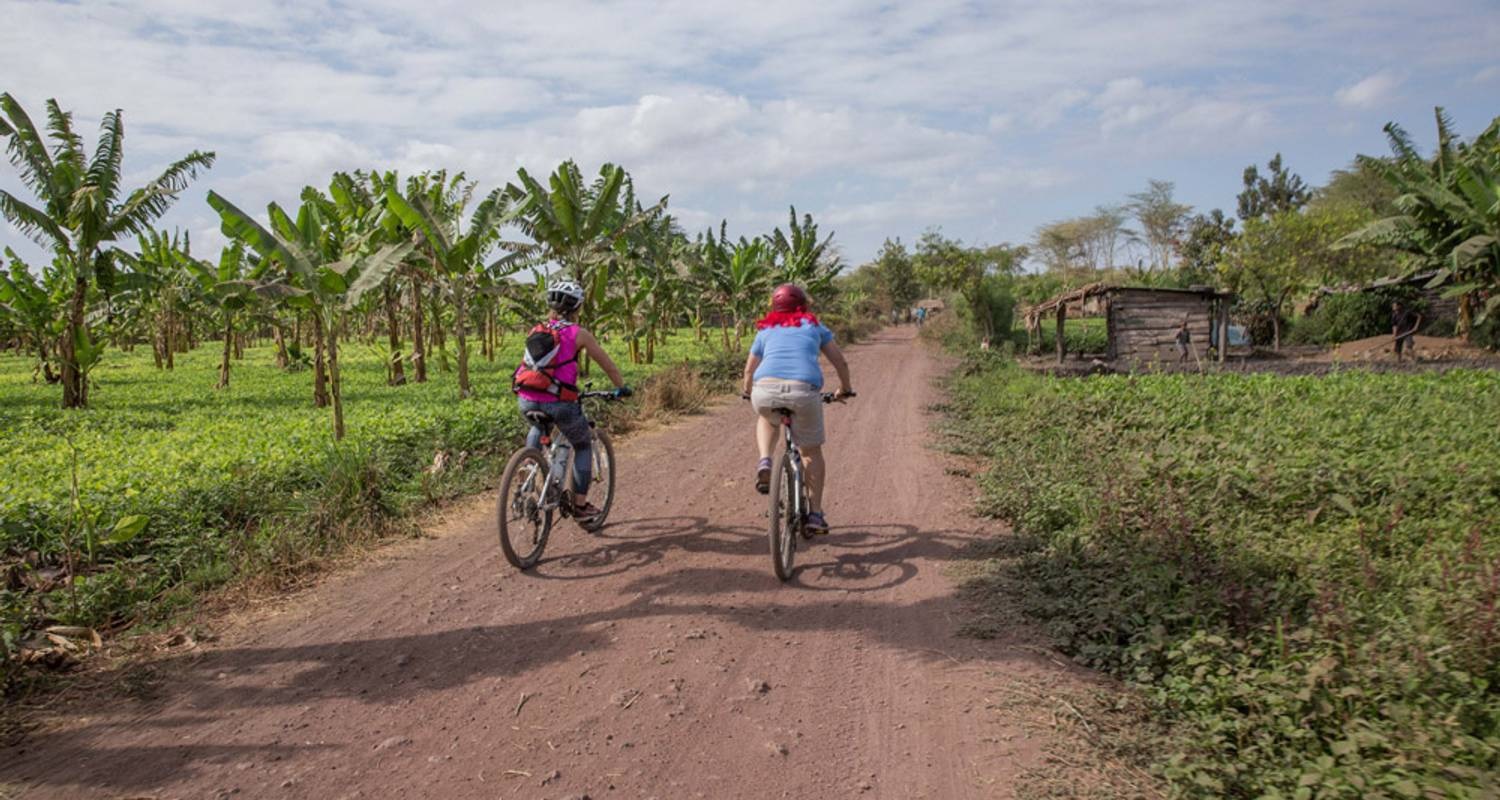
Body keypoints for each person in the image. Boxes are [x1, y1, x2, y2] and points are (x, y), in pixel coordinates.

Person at [513, 280, 631, 523]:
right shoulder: (579, 334)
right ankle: (580, 506)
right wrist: (620, 387)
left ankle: (527, 474)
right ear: (578, 307)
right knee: (583, 444)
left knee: (538, 427)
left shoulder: (537, 330)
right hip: (560, 403)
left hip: (527, 399)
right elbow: (607, 364)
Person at [742, 284, 854, 534]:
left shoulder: (766, 330)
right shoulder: (814, 326)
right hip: (803, 391)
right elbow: (840, 362)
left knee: (767, 417)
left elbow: (749, 370)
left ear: (774, 306)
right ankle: (815, 514)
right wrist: (844, 388)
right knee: (810, 451)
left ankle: (765, 460)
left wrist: (748, 391)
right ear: (803, 305)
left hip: (765, 390)